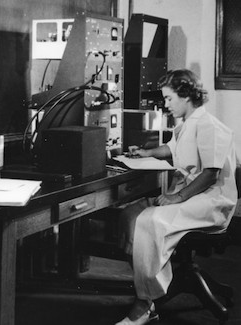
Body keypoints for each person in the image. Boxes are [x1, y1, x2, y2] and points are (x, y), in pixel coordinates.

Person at [116, 69, 238, 325]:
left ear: (186, 96)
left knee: (151, 221)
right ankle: (152, 286)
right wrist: (145, 152)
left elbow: (211, 174)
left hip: (211, 200)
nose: (166, 104)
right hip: (193, 195)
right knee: (130, 213)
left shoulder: (209, 126)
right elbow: (170, 149)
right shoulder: (186, 124)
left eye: (169, 98)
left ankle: (146, 303)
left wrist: (177, 197)